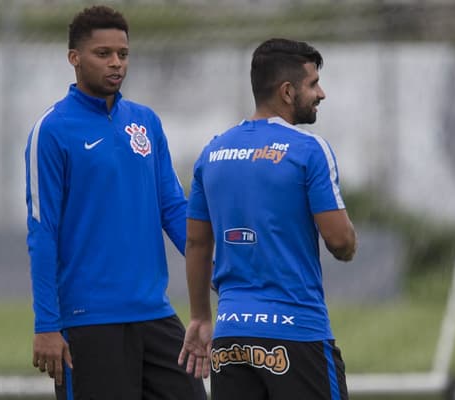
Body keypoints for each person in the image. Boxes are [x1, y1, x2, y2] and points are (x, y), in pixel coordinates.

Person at [24, 5, 206, 400]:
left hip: (155, 313)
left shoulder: (146, 121)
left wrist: (223, 267)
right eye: (103, 53)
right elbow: (42, 232)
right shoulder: (52, 130)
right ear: (74, 58)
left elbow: (174, 209)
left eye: (122, 54)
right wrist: (46, 325)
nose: (116, 63)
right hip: (89, 321)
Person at [178, 38, 357, 400]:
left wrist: (199, 317)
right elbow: (340, 243)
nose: (321, 93)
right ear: (288, 91)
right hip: (296, 334)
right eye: (313, 84)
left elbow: (197, 242)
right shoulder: (309, 149)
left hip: (230, 337)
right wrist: (349, 240)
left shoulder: (213, 151)